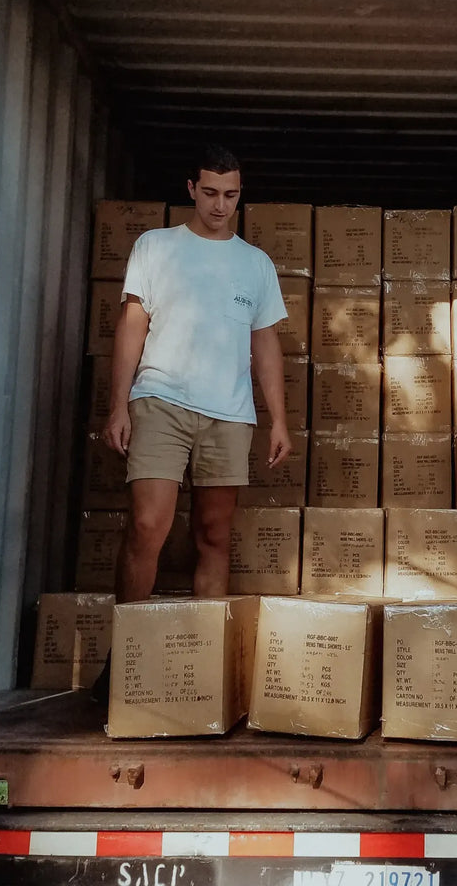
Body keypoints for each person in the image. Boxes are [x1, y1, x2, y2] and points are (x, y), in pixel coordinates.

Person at [93, 145, 291, 703]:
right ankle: (126, 656)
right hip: (160, 401)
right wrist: (118, 404)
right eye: (209, 193)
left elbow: (265, 344)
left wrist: (279, 420)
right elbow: (132, 326)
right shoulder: (156, 247)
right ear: (190, 189)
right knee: (148, 526)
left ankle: (202, 669)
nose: (220, 205)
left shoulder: (255, 263)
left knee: (213, 536)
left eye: (230, 195)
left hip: (229, 415)